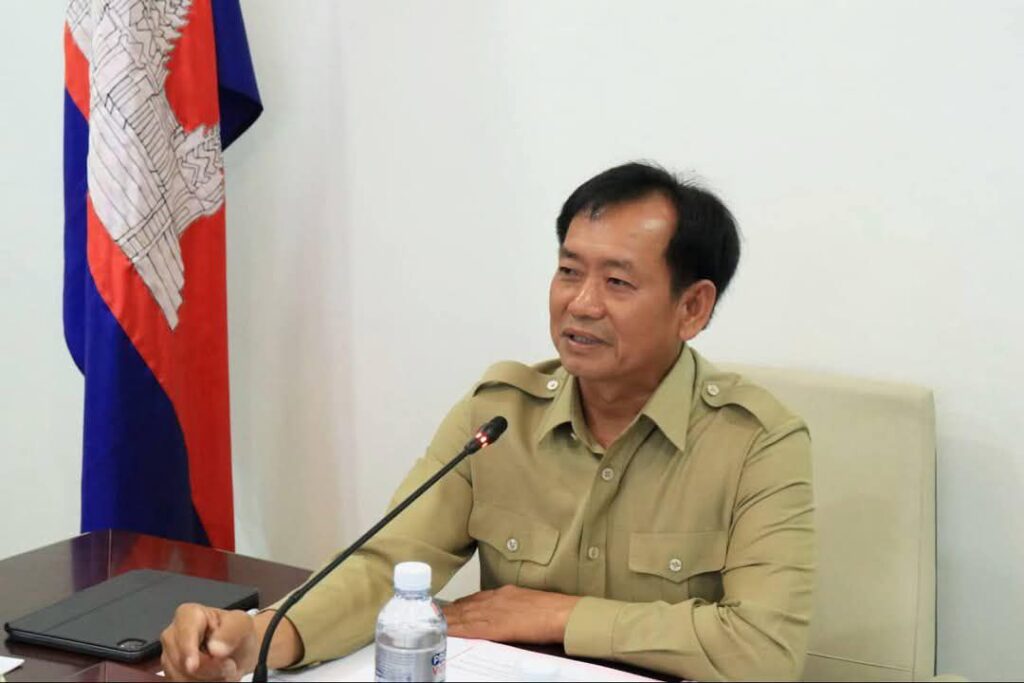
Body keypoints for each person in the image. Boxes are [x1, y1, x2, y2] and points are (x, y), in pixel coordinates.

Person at [160, 162, 815, 681]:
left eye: (618, 283)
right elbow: (387, 567)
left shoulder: (757, 442)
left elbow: (764, 646)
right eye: (569, 271)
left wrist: (556, 614)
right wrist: (261, 636)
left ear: (692, 307)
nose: (581, 303)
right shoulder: (500, 415)